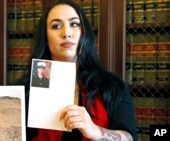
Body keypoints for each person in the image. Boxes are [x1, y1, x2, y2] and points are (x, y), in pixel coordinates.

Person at [16, 0, 137, 140]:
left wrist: (95, 131)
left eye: (74, 24)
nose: (66, 33)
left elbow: (130, 137)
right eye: (56, 26)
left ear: (84, 33)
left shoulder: (111, 85)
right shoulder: (25, 90)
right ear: (46, 38)